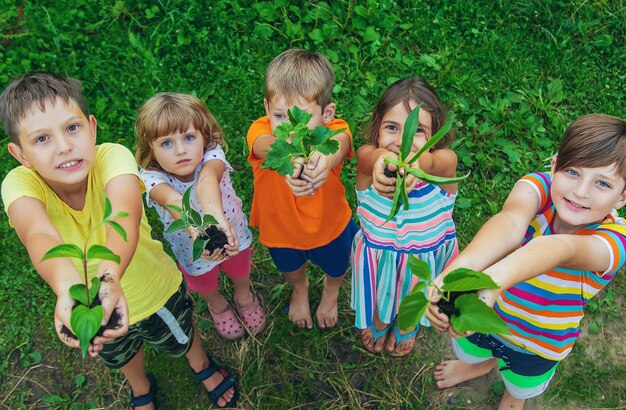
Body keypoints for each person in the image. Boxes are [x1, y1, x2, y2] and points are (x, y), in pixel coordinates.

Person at [0, 73, 237, 409]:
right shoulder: (19, 185)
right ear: (20, 153)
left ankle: (200, 364)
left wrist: (108, 277)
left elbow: (123, 215)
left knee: (181, 336)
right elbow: (38, 233)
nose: (64, 146)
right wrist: (69, 290)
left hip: (156, 290)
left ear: (92, 128)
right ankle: (140, 386)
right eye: (41, 139)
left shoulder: (113, 157)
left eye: (72, 128)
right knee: (117, 351)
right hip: (93, 308)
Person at [426, 114, 626, 409]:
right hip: (487, 314)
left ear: (622, 197)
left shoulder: (615, 240)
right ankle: (478, 366)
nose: (580, 192)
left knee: (521, 384)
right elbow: (510, 221)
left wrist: (490, 283)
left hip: (539, 343)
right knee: (472, 351)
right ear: (554, 165)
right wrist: (458, 272)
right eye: (572, 172)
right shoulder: (539, 188)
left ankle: (513, 397)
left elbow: (561, 248)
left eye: (602, 183)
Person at [135, 92, 266, 340]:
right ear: (150, 148)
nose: (180, 150)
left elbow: (207, 182)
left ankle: (244, 295)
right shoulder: (152, 178)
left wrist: (216, 222)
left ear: (204, 136)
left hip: (231, 231)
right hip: (191, 245)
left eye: (189, 137)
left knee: (239, 267)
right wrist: (198, 233)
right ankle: (217, 305)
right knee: (203, 281)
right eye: (166, 143)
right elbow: (172, 200)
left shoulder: (212, 156)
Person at [246, 48, 358, 329]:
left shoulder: (332, 131)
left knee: (336, 266)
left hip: (329, 226)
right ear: (266, 109)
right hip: (281, 229)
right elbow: (262, 146)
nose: (291, 128)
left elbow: (342, 142)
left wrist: (327, 158)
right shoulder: (261, 132)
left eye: (302, 117)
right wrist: (289, 158)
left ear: (326, 114)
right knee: (290, 269)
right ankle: (300, 288)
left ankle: (331, 292)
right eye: (281, 116)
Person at [351, 77, 460, 356]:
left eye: (418, 130)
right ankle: (379, 319)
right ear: (377, 129)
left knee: (415, 297)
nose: (402, 141)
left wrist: (417, 163)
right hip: (380, 259)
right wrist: (381, 161)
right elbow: (366, 156)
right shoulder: (371, 167)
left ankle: (406, 325)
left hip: (424, 260)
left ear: (435, 136)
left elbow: (443, 162)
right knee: (380, 294)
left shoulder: (440, 170)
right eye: (391, 127)